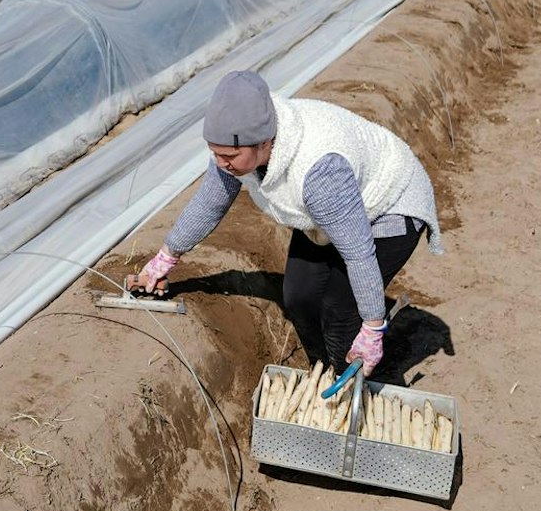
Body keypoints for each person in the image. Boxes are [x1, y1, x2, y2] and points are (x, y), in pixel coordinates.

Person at [129, 71, 442, 377]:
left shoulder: (319, 171)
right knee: (298, 295)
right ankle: (324, 372)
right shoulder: (238, 145)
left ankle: (353, 386)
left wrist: (374, 327)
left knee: (339, 306)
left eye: (231, 156)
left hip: (388, 204)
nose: (223, 163)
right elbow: (209, 203)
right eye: (216, 154)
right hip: (329, 211)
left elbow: (358, 252)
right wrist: (166, 257)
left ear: (264, 142)